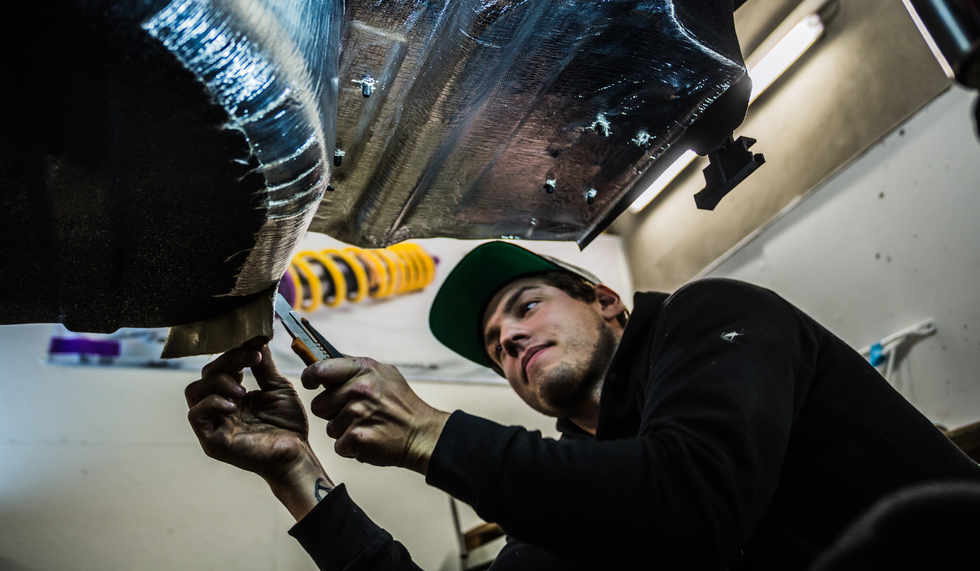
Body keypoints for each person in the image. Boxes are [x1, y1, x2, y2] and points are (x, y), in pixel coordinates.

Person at [184, 242, 980, 570]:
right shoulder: (575, 500)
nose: (509, 337)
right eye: (495, 344)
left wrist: (430, 432)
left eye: (526, 306)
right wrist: (296, 471)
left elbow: (691, 499)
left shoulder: (714, 317)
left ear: (604, 298)